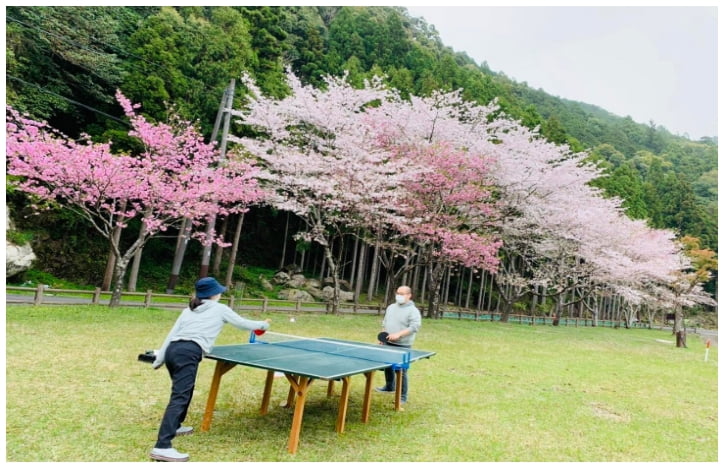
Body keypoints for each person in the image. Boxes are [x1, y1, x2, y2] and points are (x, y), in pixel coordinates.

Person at [149, 277, 271, 462]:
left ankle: (176, 426)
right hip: (188, 353)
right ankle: (162, 446)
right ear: (214, 293)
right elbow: (242, 324)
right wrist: (263, 325)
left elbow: (172, 334)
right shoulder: (219, 308)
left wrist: (160, 358)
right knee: (179, 396)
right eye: (219, 290)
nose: (221, 292)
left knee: (185, 390)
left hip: (174, 351)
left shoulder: (189, 309)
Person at [375, 285, 421, 405]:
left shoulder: (413, 311)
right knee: (387, 366)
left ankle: (402, 396)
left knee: (401, 371)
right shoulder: (391, 307)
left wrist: (399, 334)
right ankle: (390, 386)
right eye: (398, 293)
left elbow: (414, 327)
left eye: (402, 294)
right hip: (388, 342)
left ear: (409, 295)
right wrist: (383, 335)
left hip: (403, 345)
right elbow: (385, 322)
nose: (399, 296)